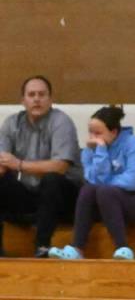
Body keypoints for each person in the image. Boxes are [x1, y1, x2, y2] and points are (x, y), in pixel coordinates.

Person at [50, 105, 135, 261]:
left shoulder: (133, 144)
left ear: (113, 132)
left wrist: (105, 184)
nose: (93, 137)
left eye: (98, 133)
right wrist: (100, 151)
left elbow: (134, 181)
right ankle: (77, 248)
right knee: (88, 190)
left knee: (104, 191)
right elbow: (92, 180)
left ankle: (122, 247)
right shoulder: (90, 149)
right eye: (91, 132)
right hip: (108, 202)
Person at [0, 75, 83, 258]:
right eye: (31, 95)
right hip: (32, 196)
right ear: (23, 100)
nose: (36, 99)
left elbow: (60, 167)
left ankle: (42, 246)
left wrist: (19, 164)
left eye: (41, 94)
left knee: (51, 179)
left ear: (50, 99)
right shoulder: (11, 123)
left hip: (65, 198)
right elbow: (3, 164)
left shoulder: (61, 122)